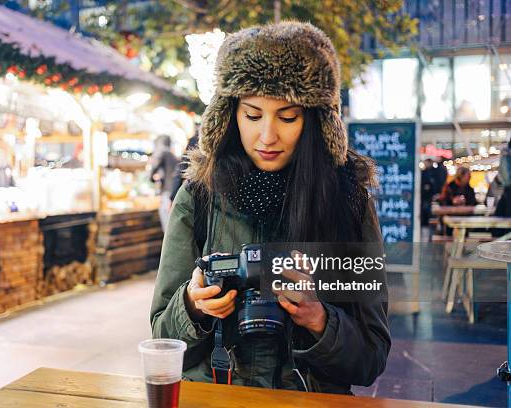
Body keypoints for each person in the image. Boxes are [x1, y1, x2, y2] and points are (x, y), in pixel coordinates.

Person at [150, 22, 390, 395]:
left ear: (315, 120)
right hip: (218, 398)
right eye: (252, 114)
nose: (267, 136)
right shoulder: (198, 196)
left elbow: (371, 358)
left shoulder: (347, 201)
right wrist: (193, 307)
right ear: (229, 115)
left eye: (288, 117)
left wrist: (320, 320)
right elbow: (161, 342)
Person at [148, 135, 179, 232]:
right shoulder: (174, 157)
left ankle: (167, 245)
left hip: (166, 192)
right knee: (171, 222)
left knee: (166, 223)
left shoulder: (162, 153)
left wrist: (151, 178)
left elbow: (154, 168)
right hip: (174, 192)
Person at [421, 159, 438, 226]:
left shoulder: (429, 173)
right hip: (426, 195)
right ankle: (425, 223)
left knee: (426, 210)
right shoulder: (431, 172)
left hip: (427, 196)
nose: (425, 165)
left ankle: (425, 223)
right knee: (426, 210)